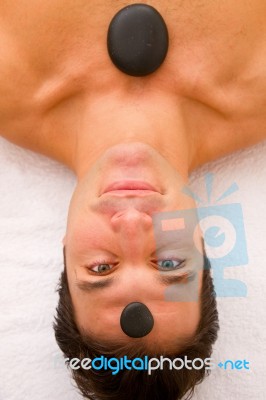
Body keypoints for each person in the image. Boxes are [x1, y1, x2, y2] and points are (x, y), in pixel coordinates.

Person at [0, 1, 265, 399]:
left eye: (102, 267)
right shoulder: (256, 79)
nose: (132, 222)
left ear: (67, 248)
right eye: (171, 263)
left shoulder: (10, 81)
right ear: (202, 244)